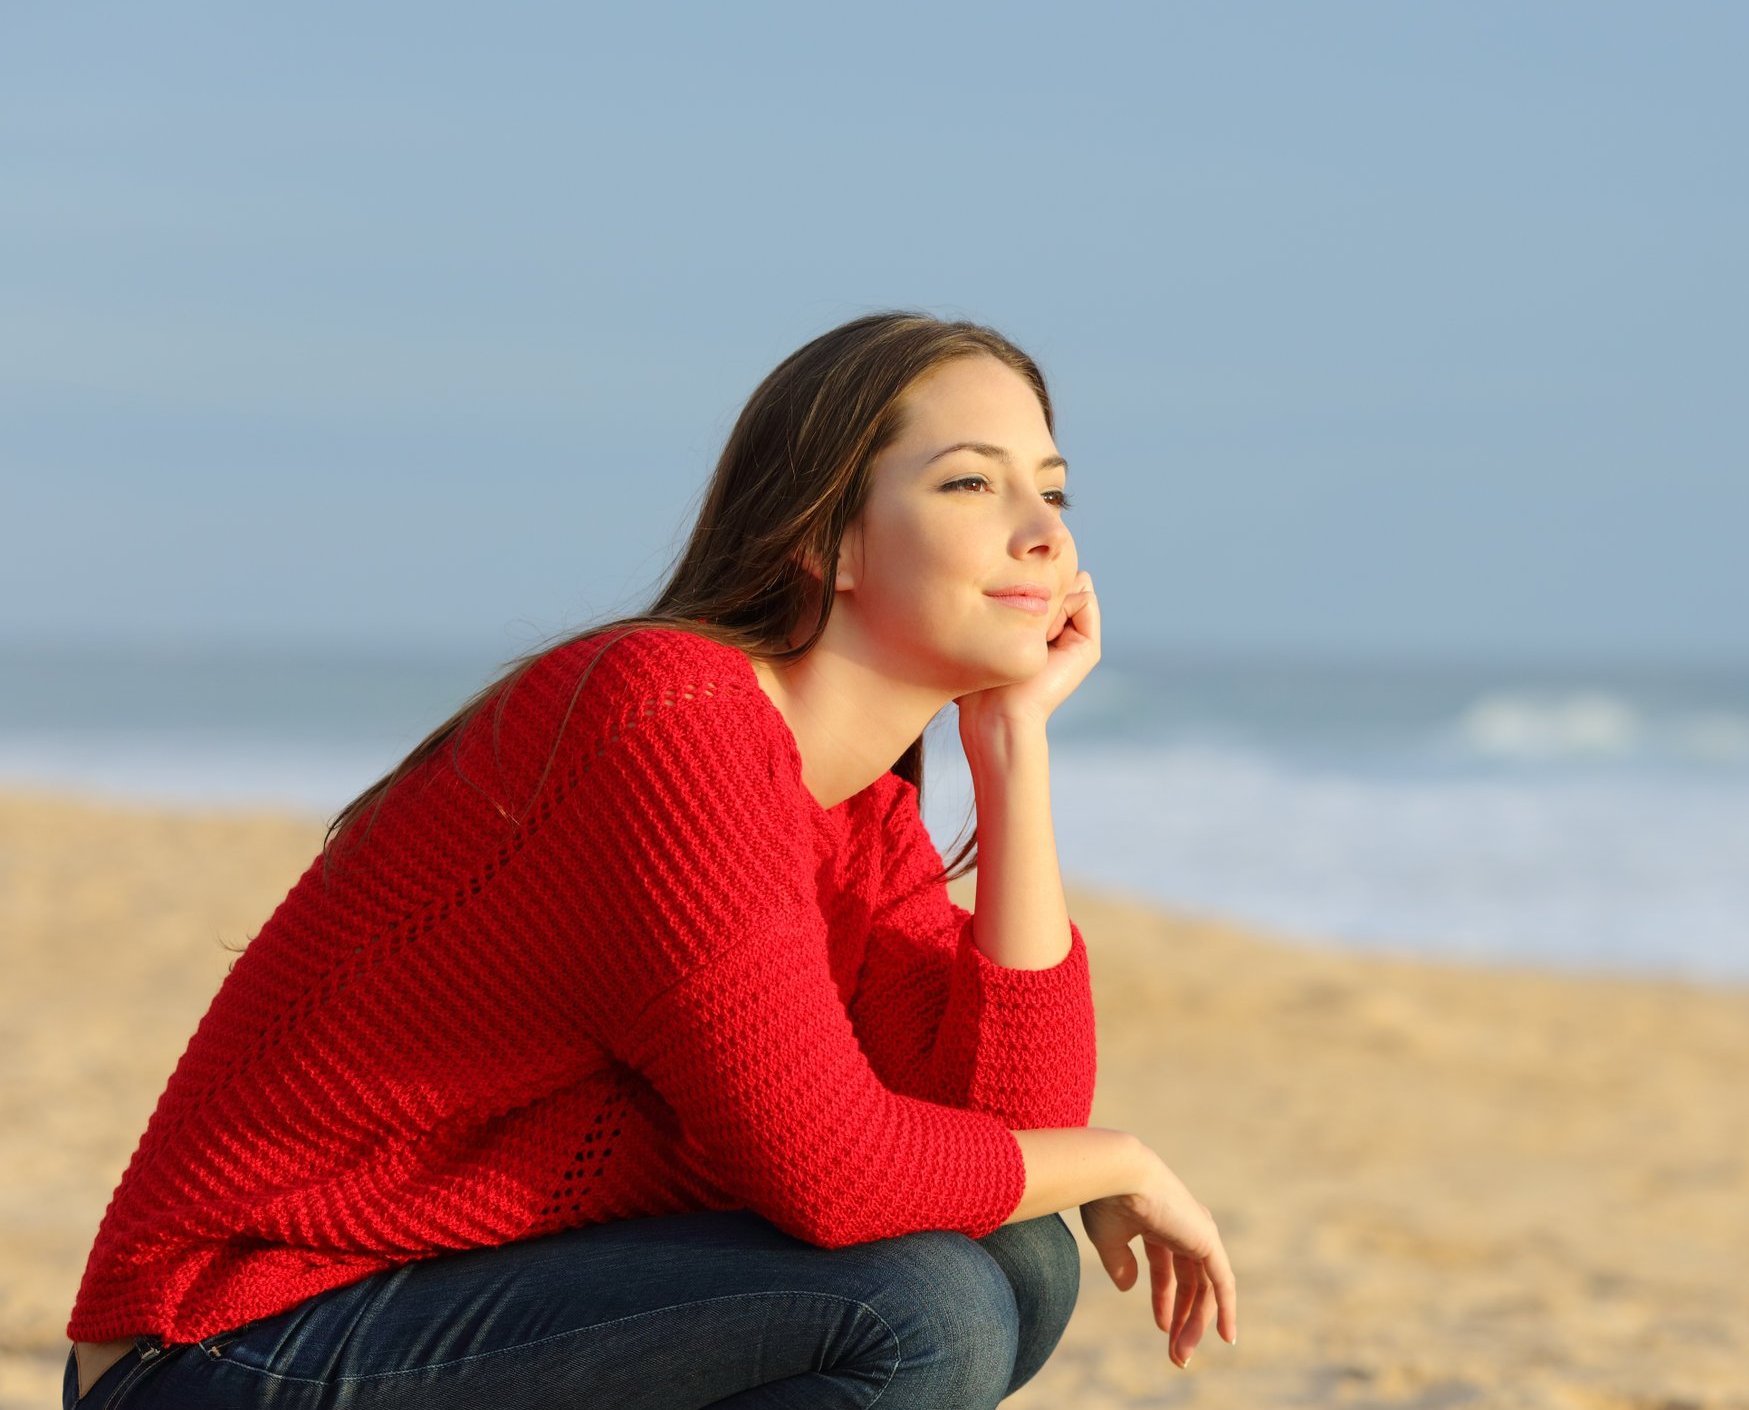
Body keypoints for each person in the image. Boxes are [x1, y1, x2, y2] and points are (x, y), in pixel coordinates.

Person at [60, 312, 1238, 1409]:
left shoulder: (858, 818)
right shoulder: (671, 719)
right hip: (226, 1335)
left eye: (1055, 489)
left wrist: (1012, 745)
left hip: (455, 1296)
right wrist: (1117, 1157)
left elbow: (1002, 1128)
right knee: (924, 1308)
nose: (1044, 531)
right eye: (973, 483)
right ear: (823, 538)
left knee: (1017, 1254)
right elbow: (836, 1174)